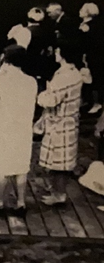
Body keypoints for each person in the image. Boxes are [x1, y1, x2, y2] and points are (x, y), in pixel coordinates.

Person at [0, 46, 38, 217]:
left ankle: (0, 203)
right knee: (21, 167)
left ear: (6, 61)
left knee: (1, 168)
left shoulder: (2, 82)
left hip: (4, 129)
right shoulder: (31, 82)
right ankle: (21, 203)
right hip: (24, 129)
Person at [36, 41, 84, 205]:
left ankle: (59, 195)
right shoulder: (74, 73)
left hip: (60, 124)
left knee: (59, 164)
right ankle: (56, 189)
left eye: (57, 51)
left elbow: (51, 100)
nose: (55, 53)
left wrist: (40, 96)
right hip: (69, 122)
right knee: (60, 162)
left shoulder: (64, 77)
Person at [78, 3, 104, 114]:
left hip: (93, 56)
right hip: (88, 56)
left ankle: (97, 103)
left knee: (95, 79)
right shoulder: (85, 24)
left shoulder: (92, 26)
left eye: (82, 9)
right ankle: (89, 101)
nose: (79, 11)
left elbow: (90, 43)